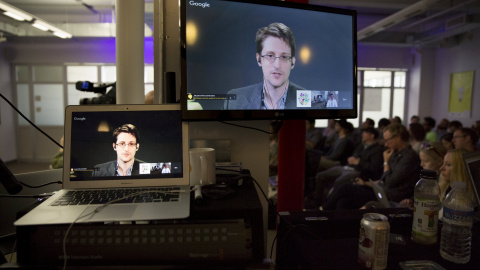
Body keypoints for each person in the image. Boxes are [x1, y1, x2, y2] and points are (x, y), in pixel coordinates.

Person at [322, 123, 421, 210]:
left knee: (345, 188)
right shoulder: (395, 153)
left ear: (398, 137)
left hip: (391, 197)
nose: (386, 144)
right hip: (382, 192)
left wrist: (385, 161)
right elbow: (384, 180)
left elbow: (390, 181)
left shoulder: (410, 156)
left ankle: (322, 212)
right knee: (344, 201)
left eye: (388, 140)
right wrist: (365, 183)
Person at [223, 22, 304, 110]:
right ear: (259, 59)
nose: (277, 65)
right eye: (270, 56)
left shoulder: (312, 102)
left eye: (284, 57)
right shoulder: (235, 101)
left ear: (293, 62)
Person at [308, 127, 384, 208]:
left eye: (365, 133)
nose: (362, 134)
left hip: (358, 170)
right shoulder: (362, 145)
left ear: (372, 136)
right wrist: (352, 158)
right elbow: (354, 154)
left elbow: (374, 167)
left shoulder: (377, 149)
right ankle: (316, 202)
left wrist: (359, 162)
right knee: (320, 176)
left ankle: (327, 206)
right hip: (348, 166)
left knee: (339, 182)